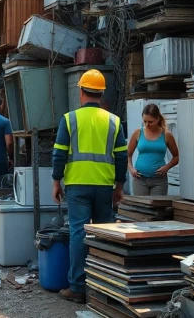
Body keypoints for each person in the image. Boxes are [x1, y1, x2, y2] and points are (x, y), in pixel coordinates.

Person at [51, 69, 128, 303]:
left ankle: (77, 287)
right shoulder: (114, 121)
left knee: (78, 232)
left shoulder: (69, 119)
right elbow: (122, 157)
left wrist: (56, 181)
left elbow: (59, 155)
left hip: (77, 185)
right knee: (104, 234)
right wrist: (119, 186)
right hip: (105, 186)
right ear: (102, 94)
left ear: (81, 91)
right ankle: (105, 287)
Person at [127, 104, 179, 196]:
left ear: (158, 119)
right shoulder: (138, 133)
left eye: (150, 122)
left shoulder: (166, 135)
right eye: (145, 121)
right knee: (142, 207)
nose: (147, 125)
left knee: (157, 208)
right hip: (140, 179)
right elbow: (128, 154)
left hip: (159, 181)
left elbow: (176, 157)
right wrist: (131, 168)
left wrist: (167, 167)